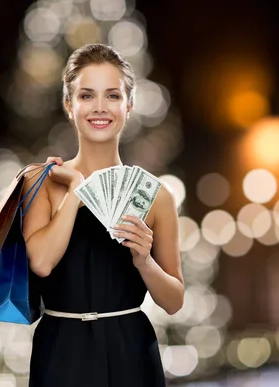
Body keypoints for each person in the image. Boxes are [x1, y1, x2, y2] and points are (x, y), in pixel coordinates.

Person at [21, 43, 184, 387]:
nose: (99, 108)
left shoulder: (156, 195)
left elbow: (174, 301)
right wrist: (77, 191)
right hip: (60, 351)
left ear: (129, 105)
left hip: (132, 353)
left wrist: (144, 262)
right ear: (69, 105)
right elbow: (41, 263)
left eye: (112, 96)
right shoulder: (41, 181)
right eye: (86, 95)